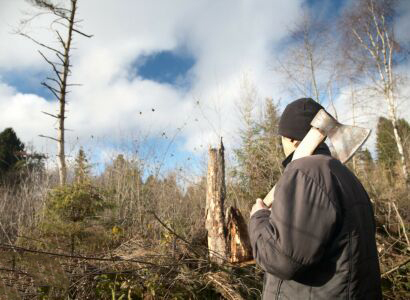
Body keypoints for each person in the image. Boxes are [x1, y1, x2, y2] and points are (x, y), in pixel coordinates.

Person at [248, 98, 382, 299]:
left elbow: (281, 259)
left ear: (292, 139)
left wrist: (258, 218)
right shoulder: (345, 176)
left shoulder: (306, 172)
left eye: (282, 138)